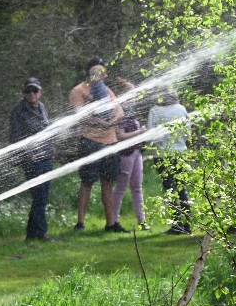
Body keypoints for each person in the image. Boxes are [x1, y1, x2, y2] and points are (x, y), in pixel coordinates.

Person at [69, 57, 123, 232]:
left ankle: (111, 223)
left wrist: (111, 122)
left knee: (108, 183)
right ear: (90, 74)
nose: (102, 76)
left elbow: (119, 111)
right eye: (97, 73)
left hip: (111, 142)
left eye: (103, 73)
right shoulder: (78, 91)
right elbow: (82, 116)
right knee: (87, 183)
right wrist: (103, 124)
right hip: (89, 142)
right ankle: (80, 223)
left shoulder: (108, 91)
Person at [8, 77, 55, 241]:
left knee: (42, 198)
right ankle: (41, 233)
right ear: (23, 93)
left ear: (40, 92)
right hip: (32, 161)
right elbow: (16, 138)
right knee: (39, 197)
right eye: (28, 91)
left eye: (35, 91)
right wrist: (29, 155)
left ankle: (31, 234)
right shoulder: (18, 111)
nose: (32, 94)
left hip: (47, 157)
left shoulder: (42, 107)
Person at [147, 89, 192, 235]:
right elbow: (188, 133)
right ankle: (187, 224)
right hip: (180, 153)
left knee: (169, 189)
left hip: (162, 155)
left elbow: (151, 135)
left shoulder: (154, 111)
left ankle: (176, 225)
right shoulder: (181, 109)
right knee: (182, 188)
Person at [109, 79, 149, 232]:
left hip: (136, 153)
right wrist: (139, 132)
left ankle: (142, 221)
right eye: (131, 95)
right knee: (120, 188)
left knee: (137, 187)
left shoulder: (132, 112)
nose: (134, 98)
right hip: (125, 155)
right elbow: (120, 135)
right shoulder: (119, 112)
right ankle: (115, 220)